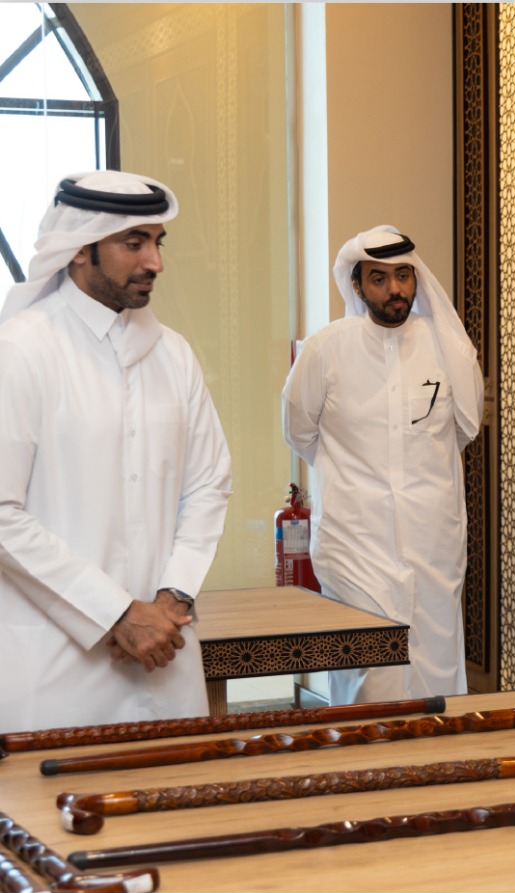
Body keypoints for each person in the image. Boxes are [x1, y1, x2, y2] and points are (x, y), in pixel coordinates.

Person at [0, 171, 233, 732]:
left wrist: (172, 599)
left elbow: (208, 484)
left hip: (166, 649)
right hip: (58, 668)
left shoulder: (173, 354)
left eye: (157, 242)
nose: (155, 262)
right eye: (134, 243)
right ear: (80, 248)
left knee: (176, 787)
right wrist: (117, 613)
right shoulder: (21, 351)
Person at [282, 225, 483, 703]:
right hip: (355, 540)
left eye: (403, 276)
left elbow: (463, 429)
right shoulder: (326, 348)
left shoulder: (447, 348)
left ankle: (434, 750)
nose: (395, 289)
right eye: (379, 278)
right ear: (356, 285)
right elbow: (299, 431)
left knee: (434, 664)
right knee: (371, 672)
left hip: (432, 539)